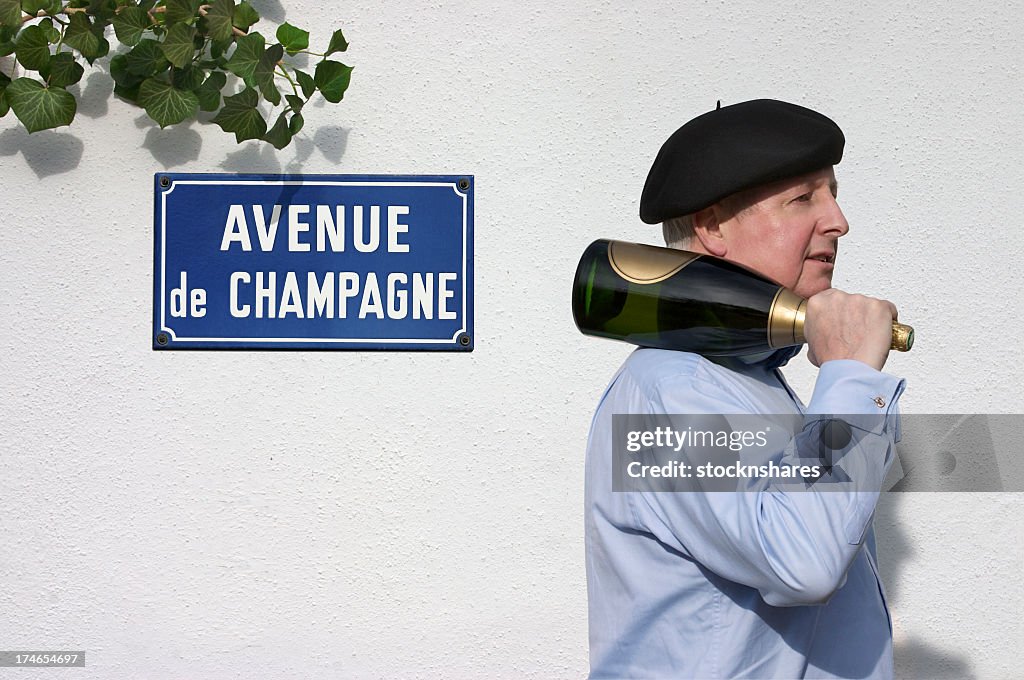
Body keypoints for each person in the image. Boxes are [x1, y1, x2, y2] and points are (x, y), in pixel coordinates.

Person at [584, 99, 906, 679]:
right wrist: (853, 378)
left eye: (832, 192)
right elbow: (805, 560)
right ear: (711, 227)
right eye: (803, 198)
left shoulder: (746, 380)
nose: (838, 220)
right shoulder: (670, 391)